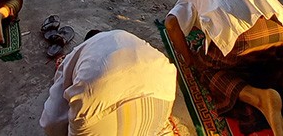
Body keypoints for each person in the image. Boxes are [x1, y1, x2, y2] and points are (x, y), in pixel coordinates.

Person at [164, 0, 283, 136]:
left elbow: (171, 24)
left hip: (241, 38)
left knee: (206, 69)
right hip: (280, 29)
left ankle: (261, 98)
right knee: (274, 58)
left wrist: (190, 59)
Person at [39, 30, 178, 136]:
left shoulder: (79, 52)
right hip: (164, 84)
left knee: (56, 122)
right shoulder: (122, 36)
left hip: (96, 93)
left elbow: (52, 121)